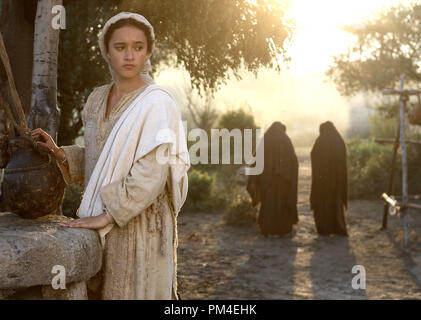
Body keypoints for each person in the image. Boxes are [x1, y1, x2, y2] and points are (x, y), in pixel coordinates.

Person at [30, 12, 190, 299]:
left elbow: (152, 173)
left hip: (140, 225)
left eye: (138, 47)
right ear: (106, 50)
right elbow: (100, 157)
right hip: (101, 218)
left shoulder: (157, 102)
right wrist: (59, 153)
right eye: (120, 47)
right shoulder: (96, 99)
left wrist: (108, 216)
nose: (130, 55)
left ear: (148, 52)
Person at [246, 121, 299, 237]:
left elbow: (255, 160)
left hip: (267, 182)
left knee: (269, 204)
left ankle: (268, 229)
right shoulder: (286, 141)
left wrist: (255, 180)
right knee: (282, 204)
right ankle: (283, 230)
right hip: (284, 183)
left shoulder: (265, 140)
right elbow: (294, 162)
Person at [310, 121, 348, 236]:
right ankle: (337, 228)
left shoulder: (319, 142)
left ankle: (324, 229)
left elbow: (313, 156)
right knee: (336, 205)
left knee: (322, 205)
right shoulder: (339, 141)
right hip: (336, 183)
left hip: (322, 183)